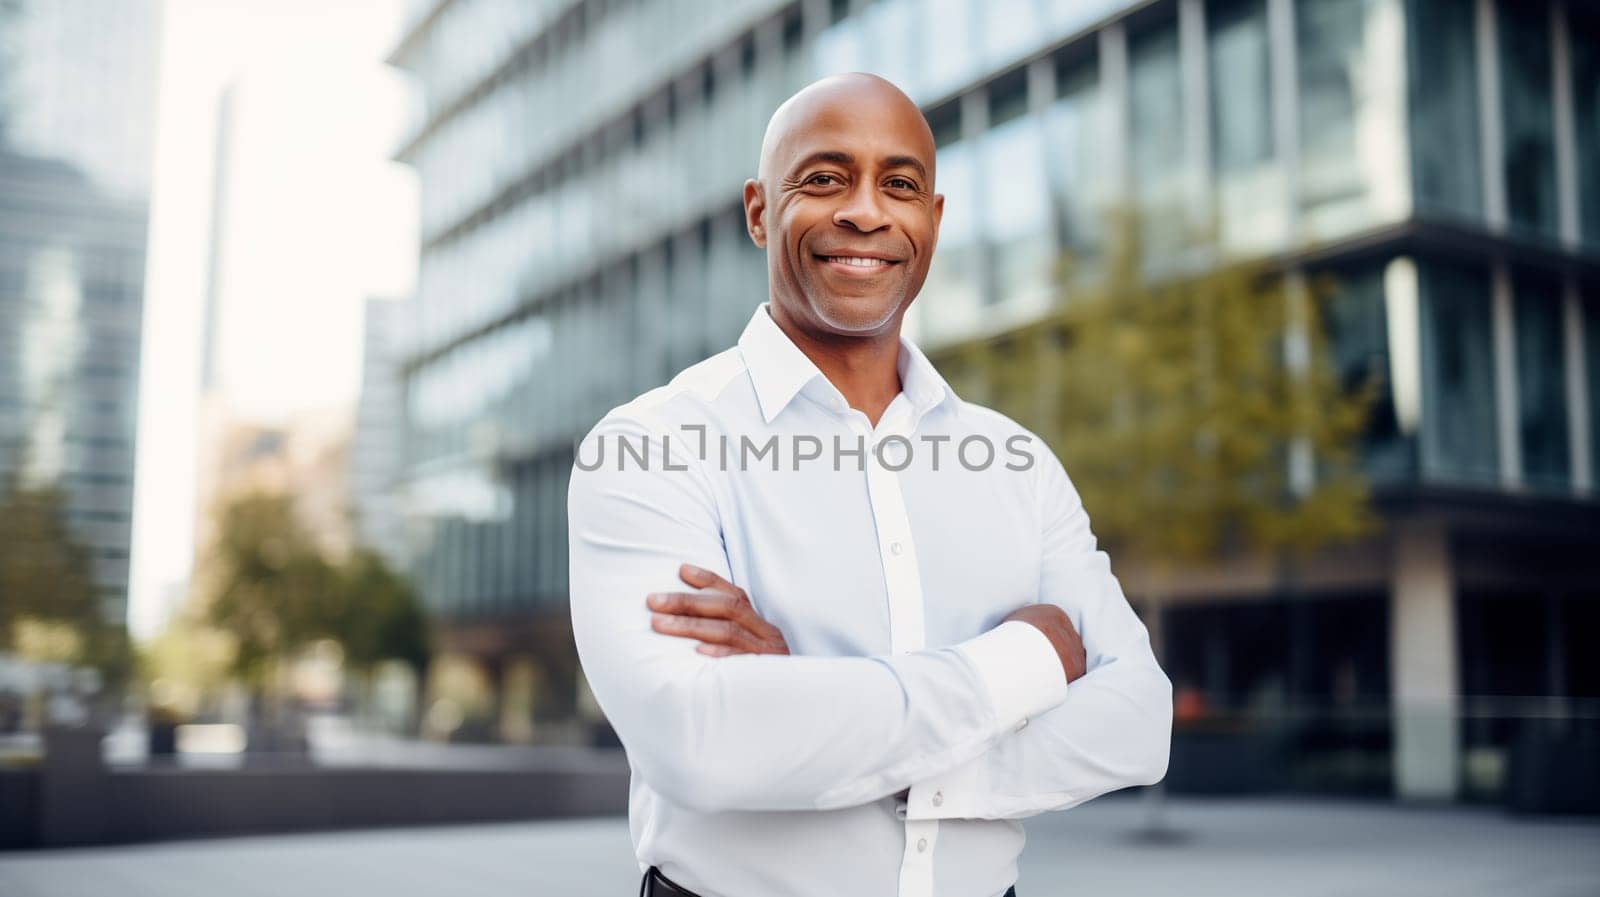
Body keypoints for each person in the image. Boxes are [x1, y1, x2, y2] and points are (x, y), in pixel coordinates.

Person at [567, 72, 1172, 897]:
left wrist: (810, 717)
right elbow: (700, 743)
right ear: (757, 210)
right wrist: (1025, 664)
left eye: (900, 185)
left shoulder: (1017, 463)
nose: (865, 211)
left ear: (934, 219)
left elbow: (1138, 722)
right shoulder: (652, 445)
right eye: (823, 179)